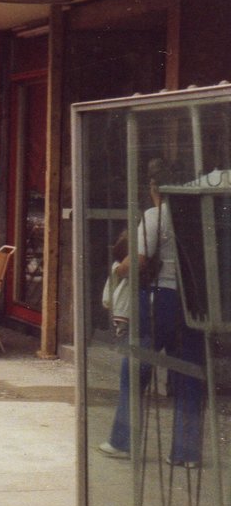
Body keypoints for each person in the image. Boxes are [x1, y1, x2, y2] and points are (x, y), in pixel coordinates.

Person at [99, 160, 204, 466]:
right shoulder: (198, 217)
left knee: (134, 371)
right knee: (189, 375)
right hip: (192, 302)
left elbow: (140, 261)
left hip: (159, 300)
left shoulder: (155, 215)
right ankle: (187, 453)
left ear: (154, 189)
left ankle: (123, 441)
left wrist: (118, 270)